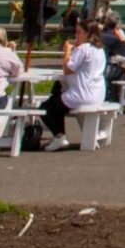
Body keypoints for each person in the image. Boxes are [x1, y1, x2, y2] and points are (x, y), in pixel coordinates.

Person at [41, 18, 107, 151]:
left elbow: (67, 69)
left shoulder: (83, 49)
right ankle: (60, 136)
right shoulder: (99, 49)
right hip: (97, 93)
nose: (76, 35)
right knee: (56, 101)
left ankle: (59, 136)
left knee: (46, 108)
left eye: (79, 32)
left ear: (88, 34)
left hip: (81, 94)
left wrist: (67, 51)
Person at [99, 15, 125, 103]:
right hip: (104, 68)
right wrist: (122, 39)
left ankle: (111, 96)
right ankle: (123, 99)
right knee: (122, 71)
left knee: (115, 70)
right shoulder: (113, 39)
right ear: (117, 26)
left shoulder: (98, 34)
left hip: (95, 67)